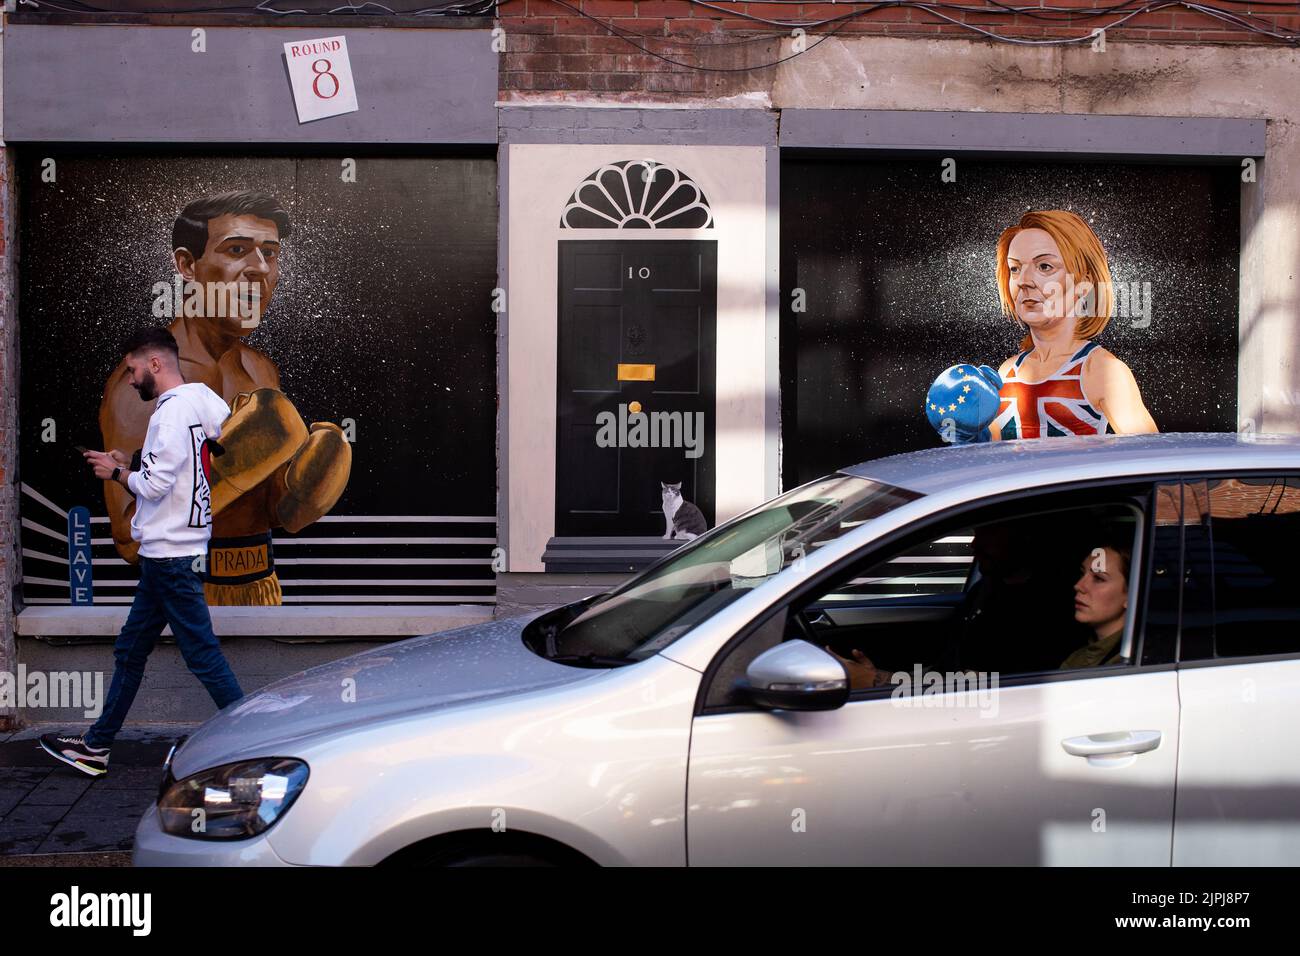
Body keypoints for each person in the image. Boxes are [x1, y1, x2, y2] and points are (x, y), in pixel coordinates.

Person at [98, 190, 351, 606]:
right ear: (187, 265)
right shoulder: (144, 382)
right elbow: (130, 538)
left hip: (262, 588)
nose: (260, 268)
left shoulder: (260, 371)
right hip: (184, 595)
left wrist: (305, 491)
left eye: (270, 253)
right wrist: (231, 463)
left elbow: (264, 510)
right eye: (237, 250)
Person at [40, 327, 244, 776]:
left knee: (202, 656)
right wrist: (130, 462)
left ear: (155, 363)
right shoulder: (201, 400)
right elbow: (185, 461)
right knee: (131, 651)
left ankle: (258, 740)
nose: (131, 379)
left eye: (133, 369)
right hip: (169, 555)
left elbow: (154, 486)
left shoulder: (168, 414)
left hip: (170, 556)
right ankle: (96, 746)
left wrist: (115, 473)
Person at [988, 209, 1158, 439]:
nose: (1024, 281)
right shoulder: (1006, 373)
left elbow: (1151, 453)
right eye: (1015, 269)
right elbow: (990, 456)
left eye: (1044, 266)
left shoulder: (1102, 371)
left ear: (1083, 284)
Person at [1060, 539, 1131, 669]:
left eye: (1098, 578)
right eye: (1082, 573)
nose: (1078, 586)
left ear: (1131, 595)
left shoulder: (1130, 665)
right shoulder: (1076, 659)